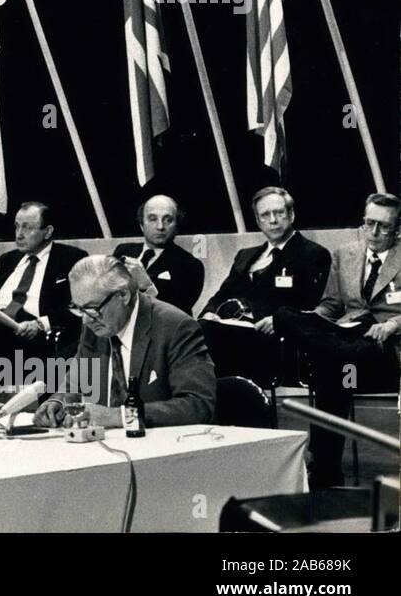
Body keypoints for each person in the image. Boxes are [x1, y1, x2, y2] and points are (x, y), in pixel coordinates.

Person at [273, 193, 401, 488]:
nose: (375, 232)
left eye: (383, 226)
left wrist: (393, 324)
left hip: (382, 346)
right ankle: (331, 350)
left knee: (330, 369)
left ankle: (325, 472)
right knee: (284, 316)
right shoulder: (345, 253)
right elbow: (330, 306)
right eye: (369, 223)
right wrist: (315, 321)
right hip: (347, 343)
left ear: (396, 230)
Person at [34, 255, 215, 429]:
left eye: (91, 308)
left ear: (123, 295)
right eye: (78, 309)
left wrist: (119, 416)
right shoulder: (94, 325)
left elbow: (198, 405)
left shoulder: (176, 327)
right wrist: (57, 402)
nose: (85, 320)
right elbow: (75, 385)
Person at [0, 202, 86, 394]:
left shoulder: (70, 258)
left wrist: (41, 324)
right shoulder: (8, 260)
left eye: (27, 228)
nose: (19, 234)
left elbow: (79, 308)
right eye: (17, 226)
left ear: (47, 231)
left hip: (34, 336)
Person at [198, 186, 331, 385]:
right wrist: (209, 312)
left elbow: (309, 304)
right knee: (201, 328)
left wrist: (276, 319)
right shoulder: (246, 255)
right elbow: (222, 294)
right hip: (234, 330)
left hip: (273, 335)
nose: (273, 220)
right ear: (259, 221)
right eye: (265, 215)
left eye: (279, 213)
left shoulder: (313, 254)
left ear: (291, 214)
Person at [112, 195, 205, 314]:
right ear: (141, 225)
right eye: (152, 219)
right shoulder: (123, 250)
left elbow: (176, 314)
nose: (160, 226)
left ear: (177, 226)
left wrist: (147, 285)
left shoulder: (190, 265)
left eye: (168, 220)